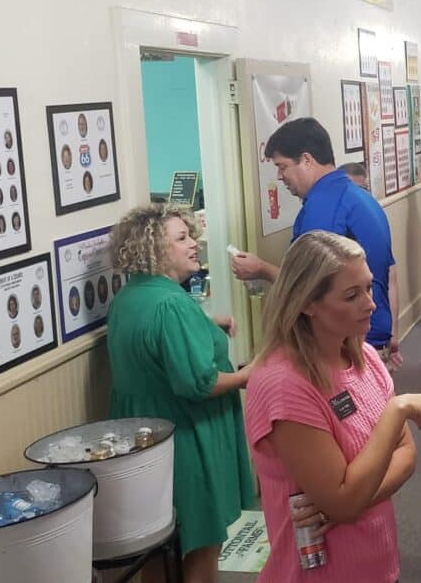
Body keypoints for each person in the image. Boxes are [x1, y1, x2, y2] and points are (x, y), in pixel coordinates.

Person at [244, 230, 421, 583]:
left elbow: (406, 457)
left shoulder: (364, 358)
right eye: (352, 295)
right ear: (307, 303)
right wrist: (395, 411)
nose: (370, 304)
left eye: (369, 288)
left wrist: (346, 503)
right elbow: (345, 499)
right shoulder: (284, 386)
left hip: (377, 565)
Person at [106, 204, 255, 583]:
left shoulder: (129, 298)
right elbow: (200, 383)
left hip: (143, 441)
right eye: (182, 238)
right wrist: (246, 375)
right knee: (201, 542)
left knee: (158, 546)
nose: (194, 244)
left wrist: (205, 324)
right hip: (187, 438)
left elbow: (157, 343)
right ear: (154, 248)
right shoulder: (172, 304)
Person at [230, 118, 403, 367]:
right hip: (373, 333)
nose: (280, 176)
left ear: (307, 160)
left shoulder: (324, 209)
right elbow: (390, 272)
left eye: (282, 167)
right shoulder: (361, 198)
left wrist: (261, 269)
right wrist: (392, 333)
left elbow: (311, 285)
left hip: (347, 343)